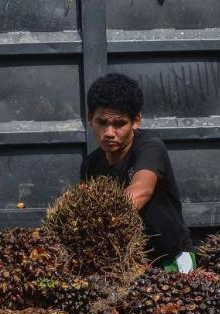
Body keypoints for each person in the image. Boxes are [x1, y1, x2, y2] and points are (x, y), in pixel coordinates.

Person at [80, 73, 194, 273]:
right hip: (126, 266)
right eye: (102, 122)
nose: (109, 132)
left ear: (136, 121)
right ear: (90, 119)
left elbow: (141, 190)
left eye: (119, 124)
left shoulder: (150, 147)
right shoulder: (91, 164)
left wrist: (98, 220)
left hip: (171, 260)